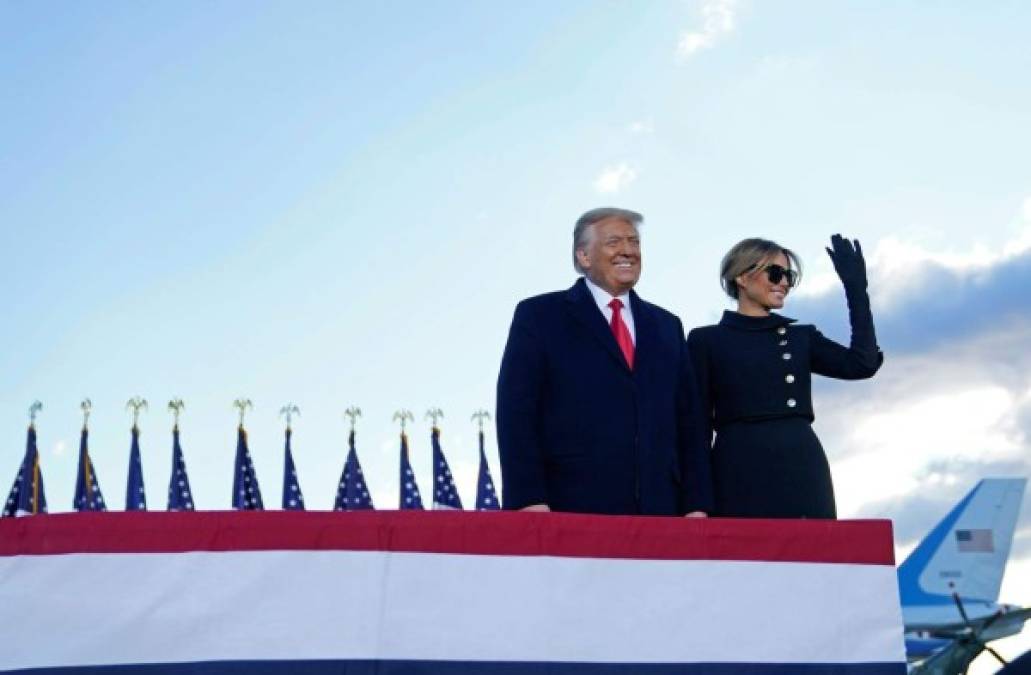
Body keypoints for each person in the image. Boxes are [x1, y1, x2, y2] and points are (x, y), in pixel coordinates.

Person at [496, 207, 712, 516]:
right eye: (613, 242)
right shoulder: (540, 316)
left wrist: (697, 504)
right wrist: (528, 498)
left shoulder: (667, 325)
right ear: (583, 256)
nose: (628, 251)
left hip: (661, 510)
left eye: (634, 242)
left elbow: (689, 422)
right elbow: (516, 413)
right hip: (569, 507)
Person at [686, 235, 882, 519]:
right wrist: (697, 503)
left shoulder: (800, 337)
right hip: (736, 469)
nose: (784, 283)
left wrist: (856, 290)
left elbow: (862, 364)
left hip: (801, 465)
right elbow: (696, 428)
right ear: (742, 276)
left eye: (789, 276)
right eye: (775, 273)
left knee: (811, 558)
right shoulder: (706, 341)